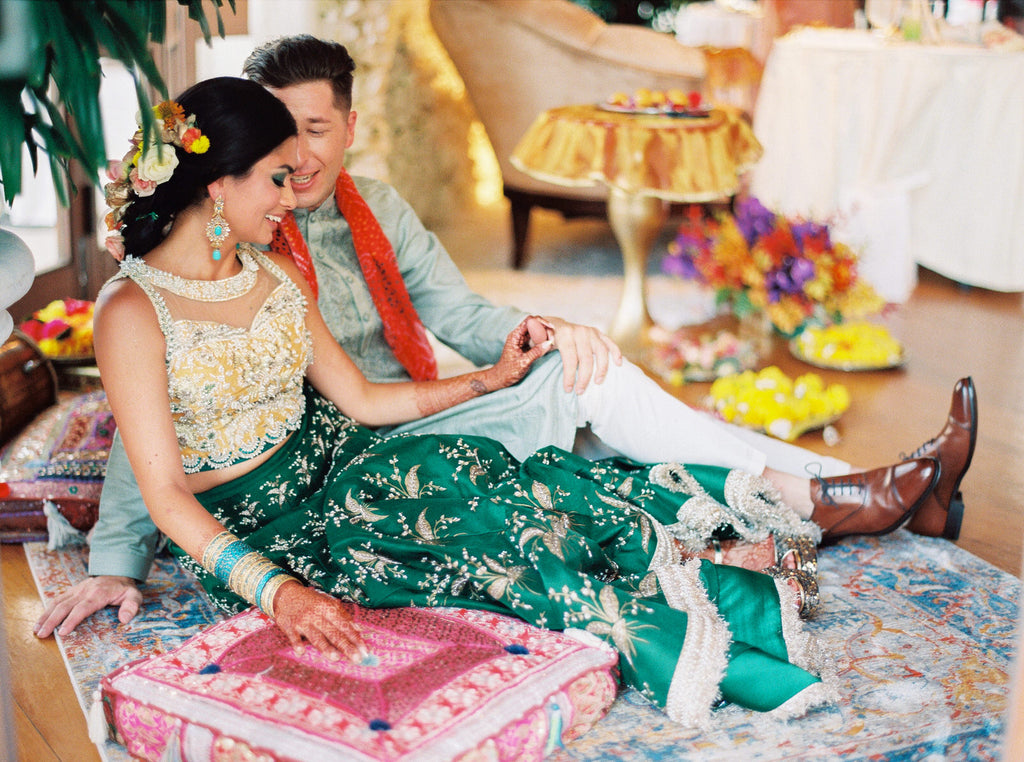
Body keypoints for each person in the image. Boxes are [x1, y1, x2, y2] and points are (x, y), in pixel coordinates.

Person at [34, 36, 976, 638]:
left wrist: (530, 342)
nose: (301, 167)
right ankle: (839, 500)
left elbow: (456, 315)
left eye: (314, 135)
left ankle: (843, 496)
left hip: (381, 426)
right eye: (281, 155)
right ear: (229, 170)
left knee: (584, 374)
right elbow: (167, 436)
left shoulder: (365, 218)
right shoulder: (168, 288)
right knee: (570, 475)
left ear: (350, 127)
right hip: (348, 458)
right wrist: (120, 561)